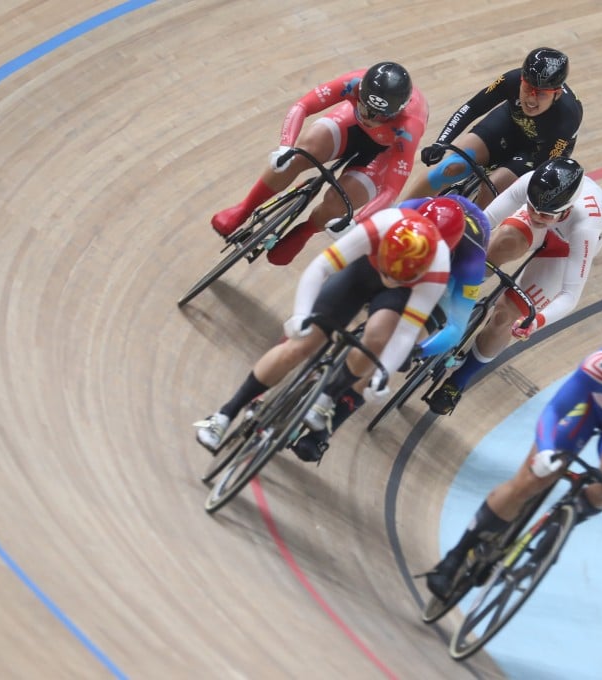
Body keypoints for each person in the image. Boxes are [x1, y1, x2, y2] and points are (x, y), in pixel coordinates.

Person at [194, 203, 457, 459]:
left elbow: (405, 333)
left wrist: (382, 373)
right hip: (363, 270)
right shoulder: (379, 226)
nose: (391, 279)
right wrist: (300, 315)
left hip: (401, 295)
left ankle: (328, 397)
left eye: (399, 277)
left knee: (377, 338)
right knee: (300, 346)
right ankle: (224, 415)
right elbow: (320, 267)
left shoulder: (437, 268)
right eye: (389, 272)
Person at [425, 340, 602, 599]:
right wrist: (546, 449)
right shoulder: (600, 366)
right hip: (590, 409)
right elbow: (555, 410)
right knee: (529, 481)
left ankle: (566, 522)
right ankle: (455, 557)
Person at [290, 194, 491, 462]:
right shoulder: (409, 211)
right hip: (399, 253)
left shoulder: (470, 262)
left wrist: (416, 350)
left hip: (441, 286)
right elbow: (369, 240)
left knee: (387, 351)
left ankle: (326, 428)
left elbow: (456, 327)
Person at [425, 156, 602, 416]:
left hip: (566, 249)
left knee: (506, 316)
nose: (536, 216)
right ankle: (447, 308)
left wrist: (537, 321)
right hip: (547, 223)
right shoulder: (530, 188)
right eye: (533, 208)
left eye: (544, 214)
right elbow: (484, 221)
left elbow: (570, 295)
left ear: (566, 210)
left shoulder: (585, 228)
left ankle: (458, 381)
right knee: (499, 244)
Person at [209, 62, 429, 266]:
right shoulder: (353, 82)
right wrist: (286, 146)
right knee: (297, 156)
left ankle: (304, 231)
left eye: (379, 117)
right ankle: (244, 208)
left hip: (385, 151)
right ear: (359, 93)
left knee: (339, 202)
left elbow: (391, 190)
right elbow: (302, 106)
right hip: (350, 126)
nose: (369, 118)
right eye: (364, 108)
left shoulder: (409, 128)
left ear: (396, 113)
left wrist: (357, 222)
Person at [403, 47, 582, 207]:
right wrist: (441, 143)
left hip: (538, 151)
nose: (531, 99)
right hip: (508, 125)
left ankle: (468, 235)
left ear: (556, 94)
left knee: (490, 190)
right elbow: (472, 108)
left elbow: (542, 169)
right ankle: (395, 217)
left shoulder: (567, 118)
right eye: (528, 88)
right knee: (447, 169)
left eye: (541, 94)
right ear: (521, 79)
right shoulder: (511, 79)